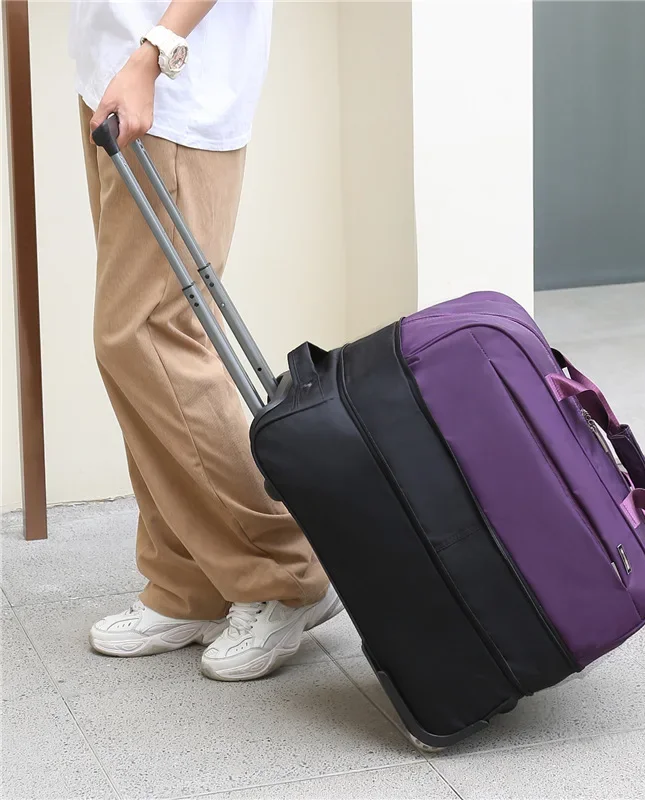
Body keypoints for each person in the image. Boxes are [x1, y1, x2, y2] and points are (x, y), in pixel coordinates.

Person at [70, 0, 342, 681]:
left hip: (166, 87)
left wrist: (153, 53)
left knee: (148, 337)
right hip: (112, 75)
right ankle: (188, 580)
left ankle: (285, 571)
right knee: (136, 355)